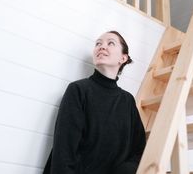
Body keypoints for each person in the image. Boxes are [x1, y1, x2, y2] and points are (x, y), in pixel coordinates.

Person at [43, 30, 146, 174]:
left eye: (110, 43)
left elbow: (140, 149)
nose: (102, 46)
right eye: (98, 43)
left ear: (123, 58)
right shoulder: (78, 90)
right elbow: (64, 150)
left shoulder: (127, 100)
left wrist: (125, 170)